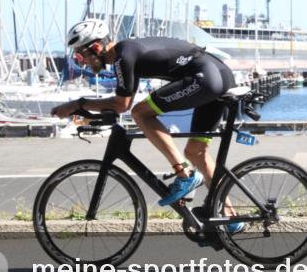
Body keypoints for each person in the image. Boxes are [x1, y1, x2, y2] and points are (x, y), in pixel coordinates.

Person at [51, 19, 244, 233]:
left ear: (96, 48)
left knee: (140, 113)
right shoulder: (126, 54)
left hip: (205, 77)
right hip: (216, 74)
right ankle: (231, 218)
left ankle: (184, 174)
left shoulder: (124, 56)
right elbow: (121, 101)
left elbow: (122, 105)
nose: (81, 62)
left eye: (80, 55)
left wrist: (78, 104)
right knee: (196, 152)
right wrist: (88, 107)